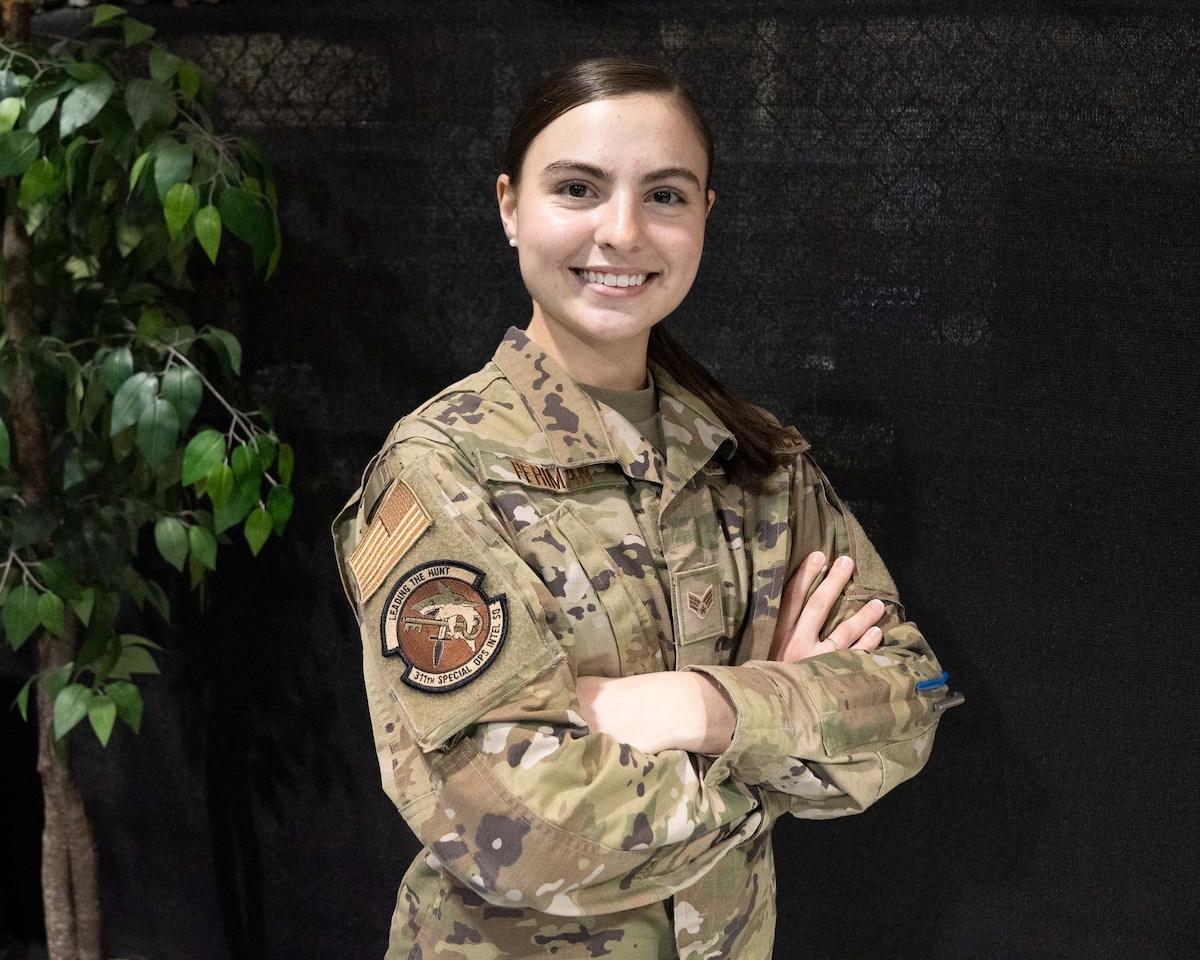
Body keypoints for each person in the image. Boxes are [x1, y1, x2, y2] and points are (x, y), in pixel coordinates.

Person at [333, 57, 957, 960]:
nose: (622, 232)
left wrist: (700, 706)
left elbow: (916, 695)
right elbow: (512, 828)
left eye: (664, 195)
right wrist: (777, 738)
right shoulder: (439, 470)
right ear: (510, 207)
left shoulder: (758, 460)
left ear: (705, 215)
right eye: (578, 188)